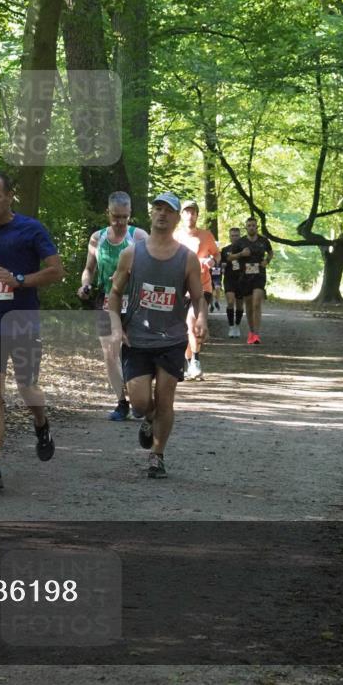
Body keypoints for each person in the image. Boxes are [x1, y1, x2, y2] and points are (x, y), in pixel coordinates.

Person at [0, 171, 66, 490]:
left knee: (27, 387)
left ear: (9, 198)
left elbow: (57, 271)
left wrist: (20, 280)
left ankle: (41, 423)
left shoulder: (30, 230)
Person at [107, 192, 207, 479]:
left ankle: (157, 455)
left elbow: (199, 297)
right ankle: (149, 418)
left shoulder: (187, 258)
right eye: (157, 209)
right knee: (139, 403)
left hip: (172, 338)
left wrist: (200, 319)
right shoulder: (132, 253)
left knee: (166, 399)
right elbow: (115, 293)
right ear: (151, 214)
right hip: (136, 338)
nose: (162, 214)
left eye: (168, 210)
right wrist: (115, 325)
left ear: (177, 218)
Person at [78, 192, 149, 420]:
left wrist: (126, 276)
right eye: (115, 217)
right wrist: (85, 285)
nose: (119, 222)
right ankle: (121, 402)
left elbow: (150, 269)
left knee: (135, 351)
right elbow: (89, 269)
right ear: (108, 213)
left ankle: (141, 397)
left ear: (130, 215)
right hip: (106, 300)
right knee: (110, 353)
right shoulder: (97, 238)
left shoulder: (138, 236)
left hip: (134, 302)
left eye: (124, 217)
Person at [174, 201, 220, 380]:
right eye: (187, 212)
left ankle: (196, 362)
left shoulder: (206, 235)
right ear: (181, 216)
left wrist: (212, 262)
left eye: (193, 213)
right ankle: (189, 363)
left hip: (203, 287)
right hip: (181, 288)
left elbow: (217, 253)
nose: (190, 216)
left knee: (192, 321)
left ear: (197, 215)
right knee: (186, 329)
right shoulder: (176, 236)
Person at [235, 217, 274, 344]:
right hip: (244, 277)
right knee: (249, 306)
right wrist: (240, 254)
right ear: (246, 228)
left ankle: (257, 334)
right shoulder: (240, 242)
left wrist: (267, 261)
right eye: (249, 225)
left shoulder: (264, 241)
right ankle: (251, 332)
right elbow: (229, 257)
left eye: (253, 225)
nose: (251, 227)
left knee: (257, 303)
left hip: (259, 275)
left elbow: (271, 252)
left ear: (256, 227)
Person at [220, 226, 246, 338]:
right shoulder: (225, 250)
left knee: (240, 306)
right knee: (230, 302)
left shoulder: (245, 249)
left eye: (236, 235)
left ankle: (237, 326)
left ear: (240, 236)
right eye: (232, 236)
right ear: (229, 237)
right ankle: (231, 326)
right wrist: (222, 265)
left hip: (242, 279)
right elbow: (220, 264)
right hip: (229, 279)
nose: (234, 237)